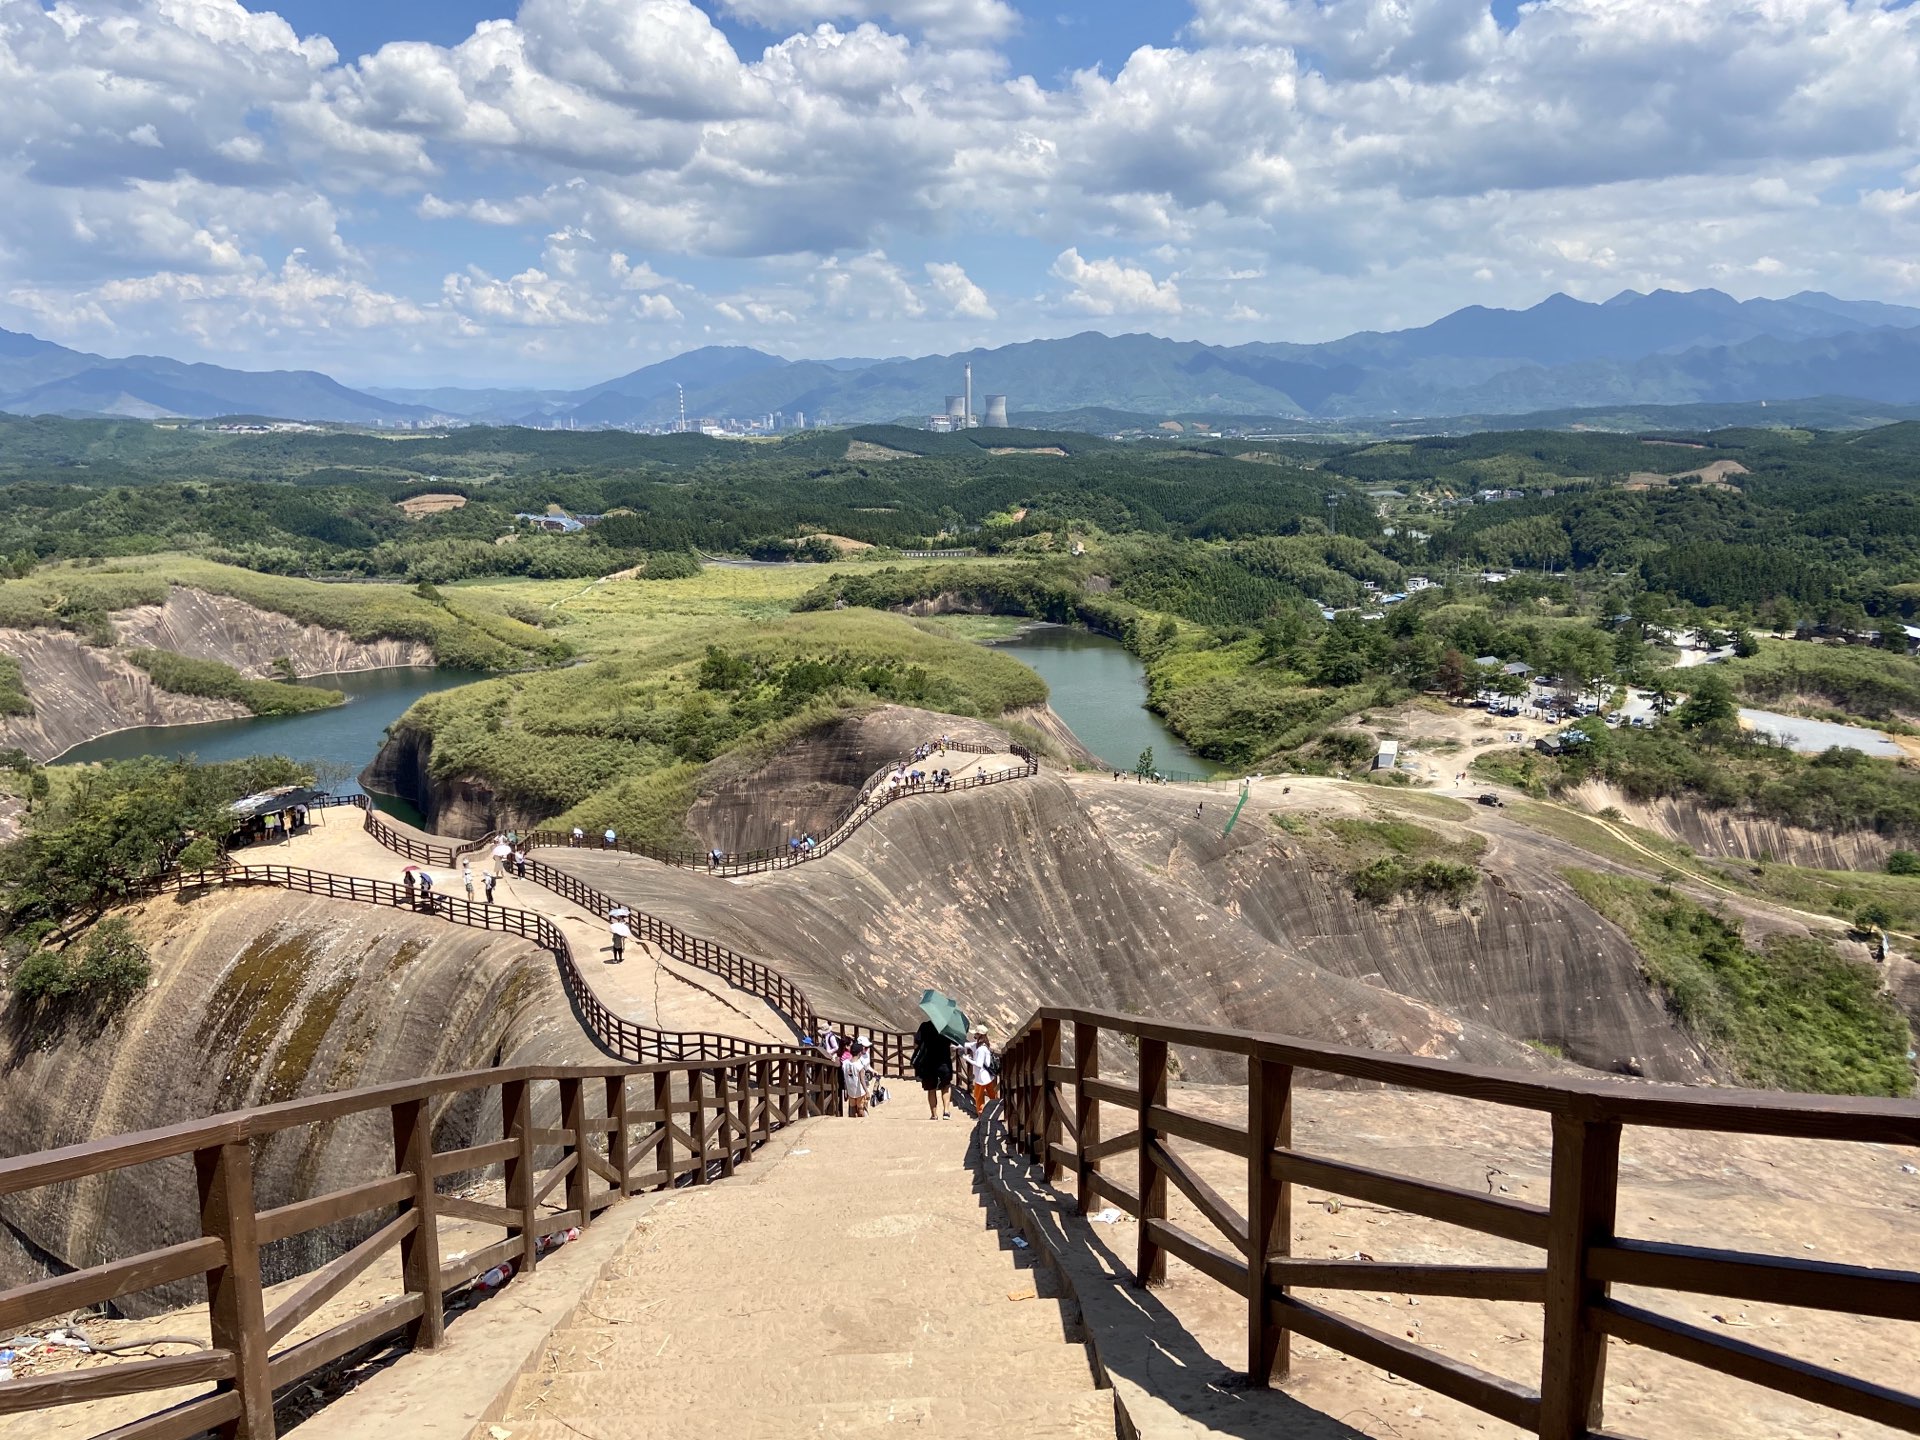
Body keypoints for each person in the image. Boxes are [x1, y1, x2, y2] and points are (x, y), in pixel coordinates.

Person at [911, 1018, 953, 1121]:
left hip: (928, 1062)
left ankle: (934, 1115)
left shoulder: (925, 1026)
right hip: (944, 1061)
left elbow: (916, 1044)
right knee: (946, 1086)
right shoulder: (946, 1027)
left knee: (931, 1088)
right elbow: (953, 1043)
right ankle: (946, 1111)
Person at [965, 1028, 997, 1115]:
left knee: (978, 1097)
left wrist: (968, 1059)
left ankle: (981, 1115)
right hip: (988, 1076)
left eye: (976, 1034)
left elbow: (979, 1064)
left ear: (979, 1035)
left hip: (981, 1077)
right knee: (992, 1095)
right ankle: (995, 1112)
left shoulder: (980, 1049)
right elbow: (967, 1045)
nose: (974, 1035)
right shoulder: (984, 1046)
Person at [840, 1039, 869, 1118]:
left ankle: (852, 1120)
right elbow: (862, 1080)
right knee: (861, 1108)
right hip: (860, 1091)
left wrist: (846, 1090)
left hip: (850, 1091)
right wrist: (867, 1091)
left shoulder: (845, 1064)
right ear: (860, 1053)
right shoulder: (859, 1066)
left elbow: (845, 1078)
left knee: (852, 1108)